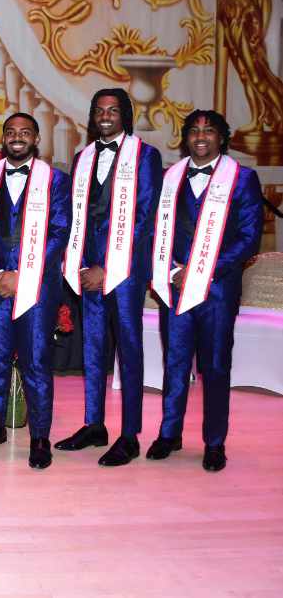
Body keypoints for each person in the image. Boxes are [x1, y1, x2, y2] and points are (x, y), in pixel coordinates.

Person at [146, 110, 263, 472]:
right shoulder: (169, 178)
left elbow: (248, 238)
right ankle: (169, 433)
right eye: (194, 131)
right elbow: (154, 232)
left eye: (209, 131)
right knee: (175, 364)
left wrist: (203, 271)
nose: (200, 137)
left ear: (222, 138)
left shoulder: (242, 179)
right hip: (175, 288)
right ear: (184, 138)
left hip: (216, 292)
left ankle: (214, 442)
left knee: (215, 367)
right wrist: (169, 271)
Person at [55, 88, 163, 466]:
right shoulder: (83, 157)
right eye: (99, 110)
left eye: (113, 110)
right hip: (88, 270)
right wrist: (81, 264)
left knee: (128, 349)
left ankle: (130, 434)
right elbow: (76, 215)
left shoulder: (146, 156)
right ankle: (93, 424)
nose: (105, 116)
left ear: (125, 116)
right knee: (93, 349)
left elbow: (145, 217)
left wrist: (108, 266)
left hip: (126, 271)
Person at [0, 113, 72, 469]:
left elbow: (59, 233)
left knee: (36, 362)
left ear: (36, 138)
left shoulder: (55, 180)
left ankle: (40, 437)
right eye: (11, 132)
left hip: (37, 288)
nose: (17, 137)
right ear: (3, 139)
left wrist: (21, 275)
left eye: (24, 132)